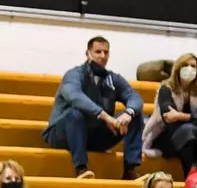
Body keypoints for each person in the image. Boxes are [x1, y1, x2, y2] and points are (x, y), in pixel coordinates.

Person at [43, 36, 144, 180]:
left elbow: (135, 97)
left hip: (94, 134)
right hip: (62, 133)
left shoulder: (113, 79)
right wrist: (105, 116)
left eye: (106, 52)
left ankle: (130, 170)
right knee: (76, 114)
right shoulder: (73, 75)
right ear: (88, 53)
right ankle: (81, 168)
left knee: (135, 116)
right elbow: (75, 97)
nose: (102, 56)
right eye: (98, 52)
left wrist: (128, 113)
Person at [143, 54, 197, 174]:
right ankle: (191, 175)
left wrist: (181, 116)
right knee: (189, 129)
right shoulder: (166, 88)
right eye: (185, 65)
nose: (189, 69)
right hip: (166, 138)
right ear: (178, 68)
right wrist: (196, 118)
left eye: (193, 66)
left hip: (192, 137)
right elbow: (169, 120)